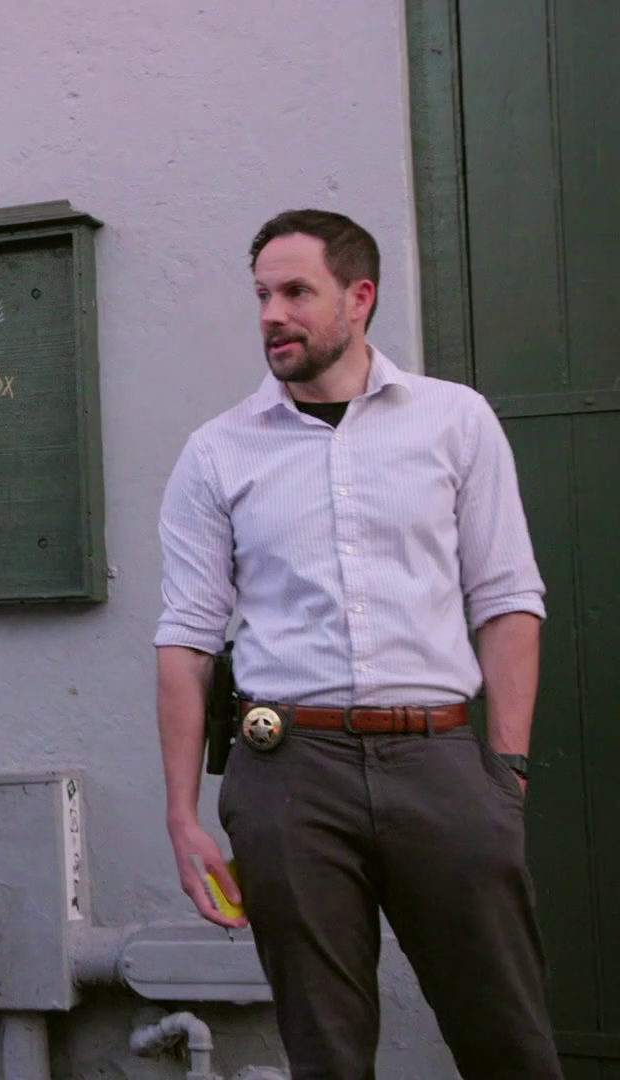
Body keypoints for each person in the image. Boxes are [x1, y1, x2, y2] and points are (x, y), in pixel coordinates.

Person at [153, 209, 562, 1079]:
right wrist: (183, 814)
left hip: (440, 761)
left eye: (297, 292)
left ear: (359, 298)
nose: (273, 314)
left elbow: (507, 599)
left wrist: (508, 771)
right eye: (262, 295)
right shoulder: (217, 452)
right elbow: (186, 639)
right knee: (327, 1054)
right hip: (289, 773)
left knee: (508, 1039)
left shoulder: (454, 421)